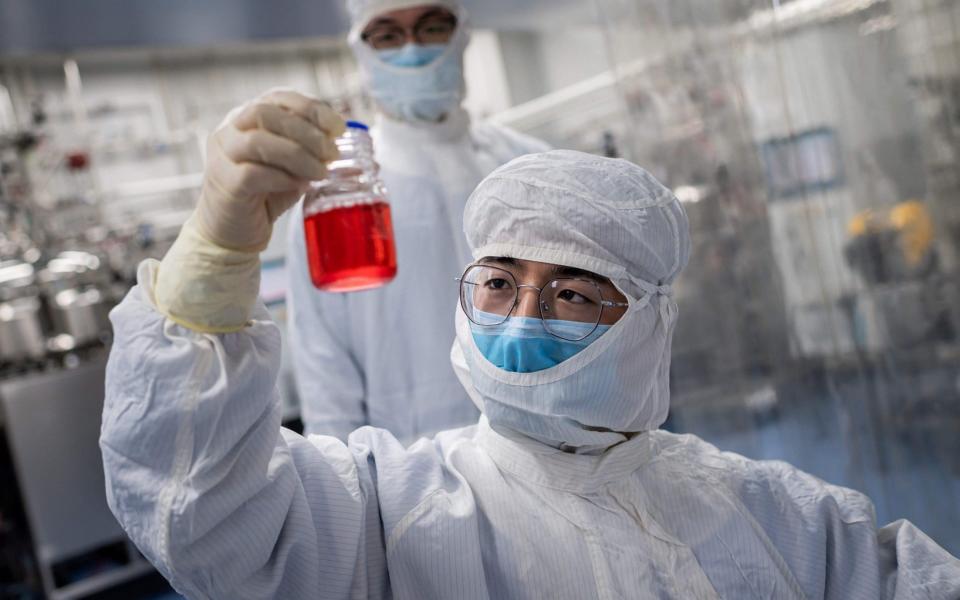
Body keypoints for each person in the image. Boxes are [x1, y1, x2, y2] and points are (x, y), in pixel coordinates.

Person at [100, 92, 960, 598]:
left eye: (575, 291)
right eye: (499, 282)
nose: (522, 317)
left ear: (649, 320)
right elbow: (203, 516)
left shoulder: (785, 518)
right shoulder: (386, 510)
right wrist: (211, 263)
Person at [286, 0, 549, 443]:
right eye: (388, 35)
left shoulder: (532, 167)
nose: (413, 50)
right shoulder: (336, 199)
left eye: (431, 27)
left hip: (543, 448)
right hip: (410, 473)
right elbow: (324, 369)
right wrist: (350, 493)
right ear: (363, 49)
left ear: (461, 33)